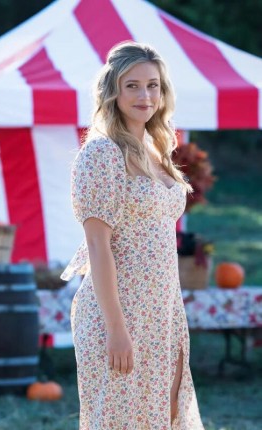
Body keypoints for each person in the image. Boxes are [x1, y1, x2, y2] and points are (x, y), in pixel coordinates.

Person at [61, 41, 204, 429]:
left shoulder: (155, 150)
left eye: (153, 85)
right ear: (113, 90)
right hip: (118, 310)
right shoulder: (101, 153)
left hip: (162, 308)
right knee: (120, 419)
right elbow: (97, 245)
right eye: (133, 85)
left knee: (167, 415)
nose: (145, 96)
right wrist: (116, 329)